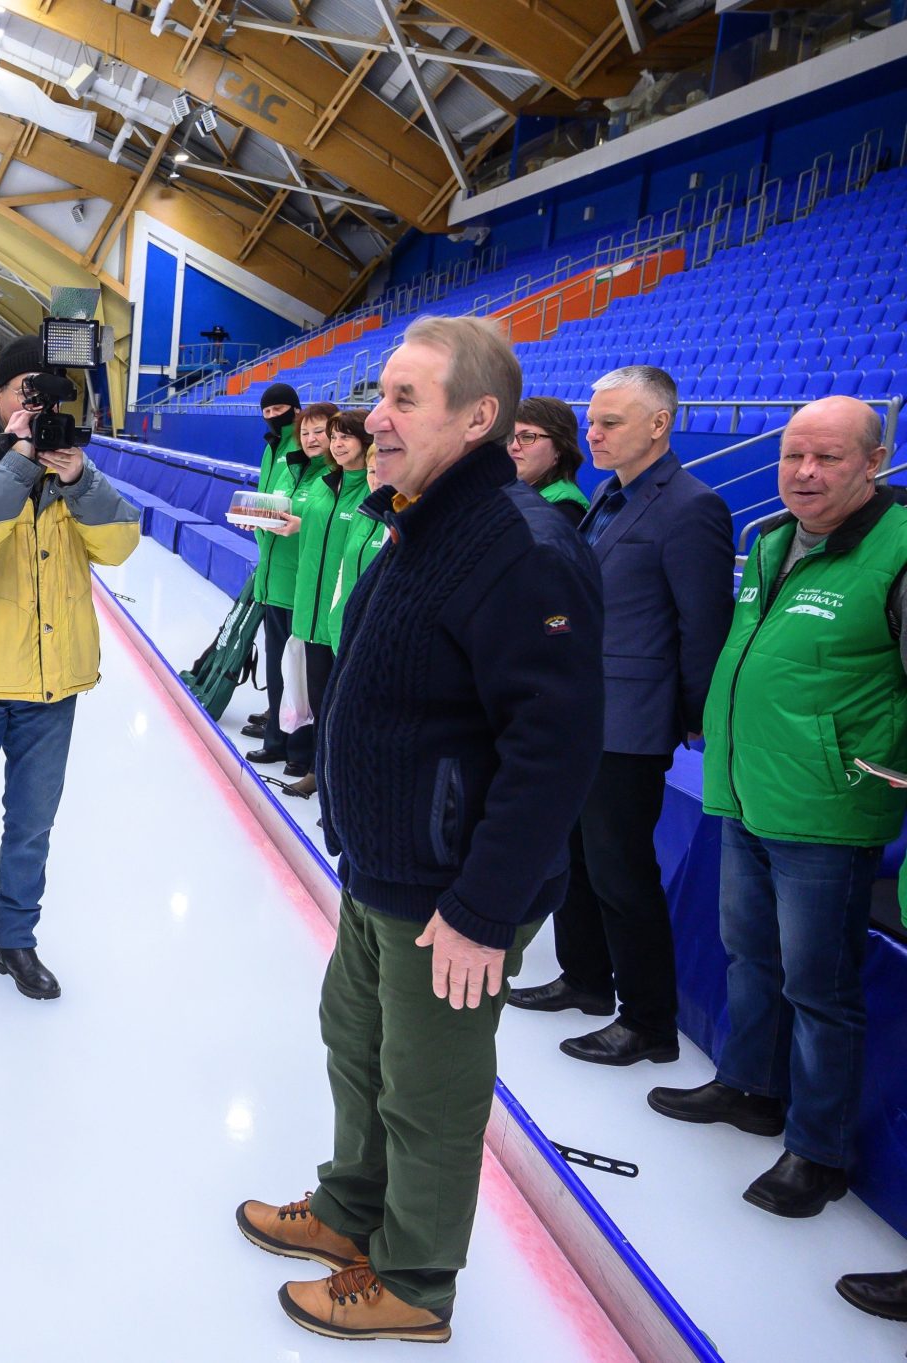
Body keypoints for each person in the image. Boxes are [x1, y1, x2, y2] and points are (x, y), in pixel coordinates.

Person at [237, 316, 603, 1343]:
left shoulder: (524, 551)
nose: (375, 416)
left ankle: (411, 1277)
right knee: (354, 1045)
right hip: (381, 867)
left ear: (477, 418)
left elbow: (552, 752)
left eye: (404, 399)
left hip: (451, 894)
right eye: (379, 393)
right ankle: (352, 1209)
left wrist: (481, 909)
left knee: (428, 1089)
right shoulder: (415, 519)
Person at [650, 395, 907, 1218]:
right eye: (793, 454)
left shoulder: (898, 553)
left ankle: (817, 1151)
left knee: (819, 987)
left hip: (828, 812)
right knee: (748, 953)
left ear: (874, 462)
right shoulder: (768, 541)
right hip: (746, 789)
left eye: (828, 457)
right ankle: (750, 1087)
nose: (802, 471)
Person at [509, 367, 733, 1067]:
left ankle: (648, 1020)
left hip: (632, 720)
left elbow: (702, 625)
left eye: (610, 423)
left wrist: (694, 716)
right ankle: (585, 979)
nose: (594, 434)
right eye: (593, 421)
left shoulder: (691, 507)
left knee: (621, 870)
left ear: (659, 425)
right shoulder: (609, 495)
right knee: (574, 856)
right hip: (584, 709)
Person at [0, 333, 141, 999]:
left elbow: (121, 542)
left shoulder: (71, 472)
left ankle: (15, 941)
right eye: (29, 393)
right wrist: (17, 461)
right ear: (0, 397)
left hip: (52, 685)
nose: (41, 407)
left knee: (31, 827)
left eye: (51, 396)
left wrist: (78, 479)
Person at [276, 408, 372, 799]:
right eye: (334, 437)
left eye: (346, 436)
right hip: (310, 610)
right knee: (318, 699)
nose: (337, 443)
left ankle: (340, 783)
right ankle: (319, 770)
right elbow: (312, 525)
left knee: (343, 708)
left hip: (344, 619)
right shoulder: (323, 484)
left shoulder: (372, 488)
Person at [244, 391, 324, 777]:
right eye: (267, 412)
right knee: (278, 667)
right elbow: (267, 500)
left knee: (302, 673)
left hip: (303, 587)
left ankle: (298, 750)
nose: (309, 439)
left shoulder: (328, 477)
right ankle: (277, 738)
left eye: (318, 432)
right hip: (273, 577)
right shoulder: (278, 456)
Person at [328, 431, 392, 654]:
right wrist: (335, 615)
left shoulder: (404, 524)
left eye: (385, 472)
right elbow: (344, 572)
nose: (377, 480)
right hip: (344, 635)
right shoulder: (362, 513)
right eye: (372, 471)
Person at [509, 396, 590, 519]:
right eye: (509, 436)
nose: (513, 446)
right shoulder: (511, 491)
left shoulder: (565, 509)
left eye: (528, 437)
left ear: (560, 448)